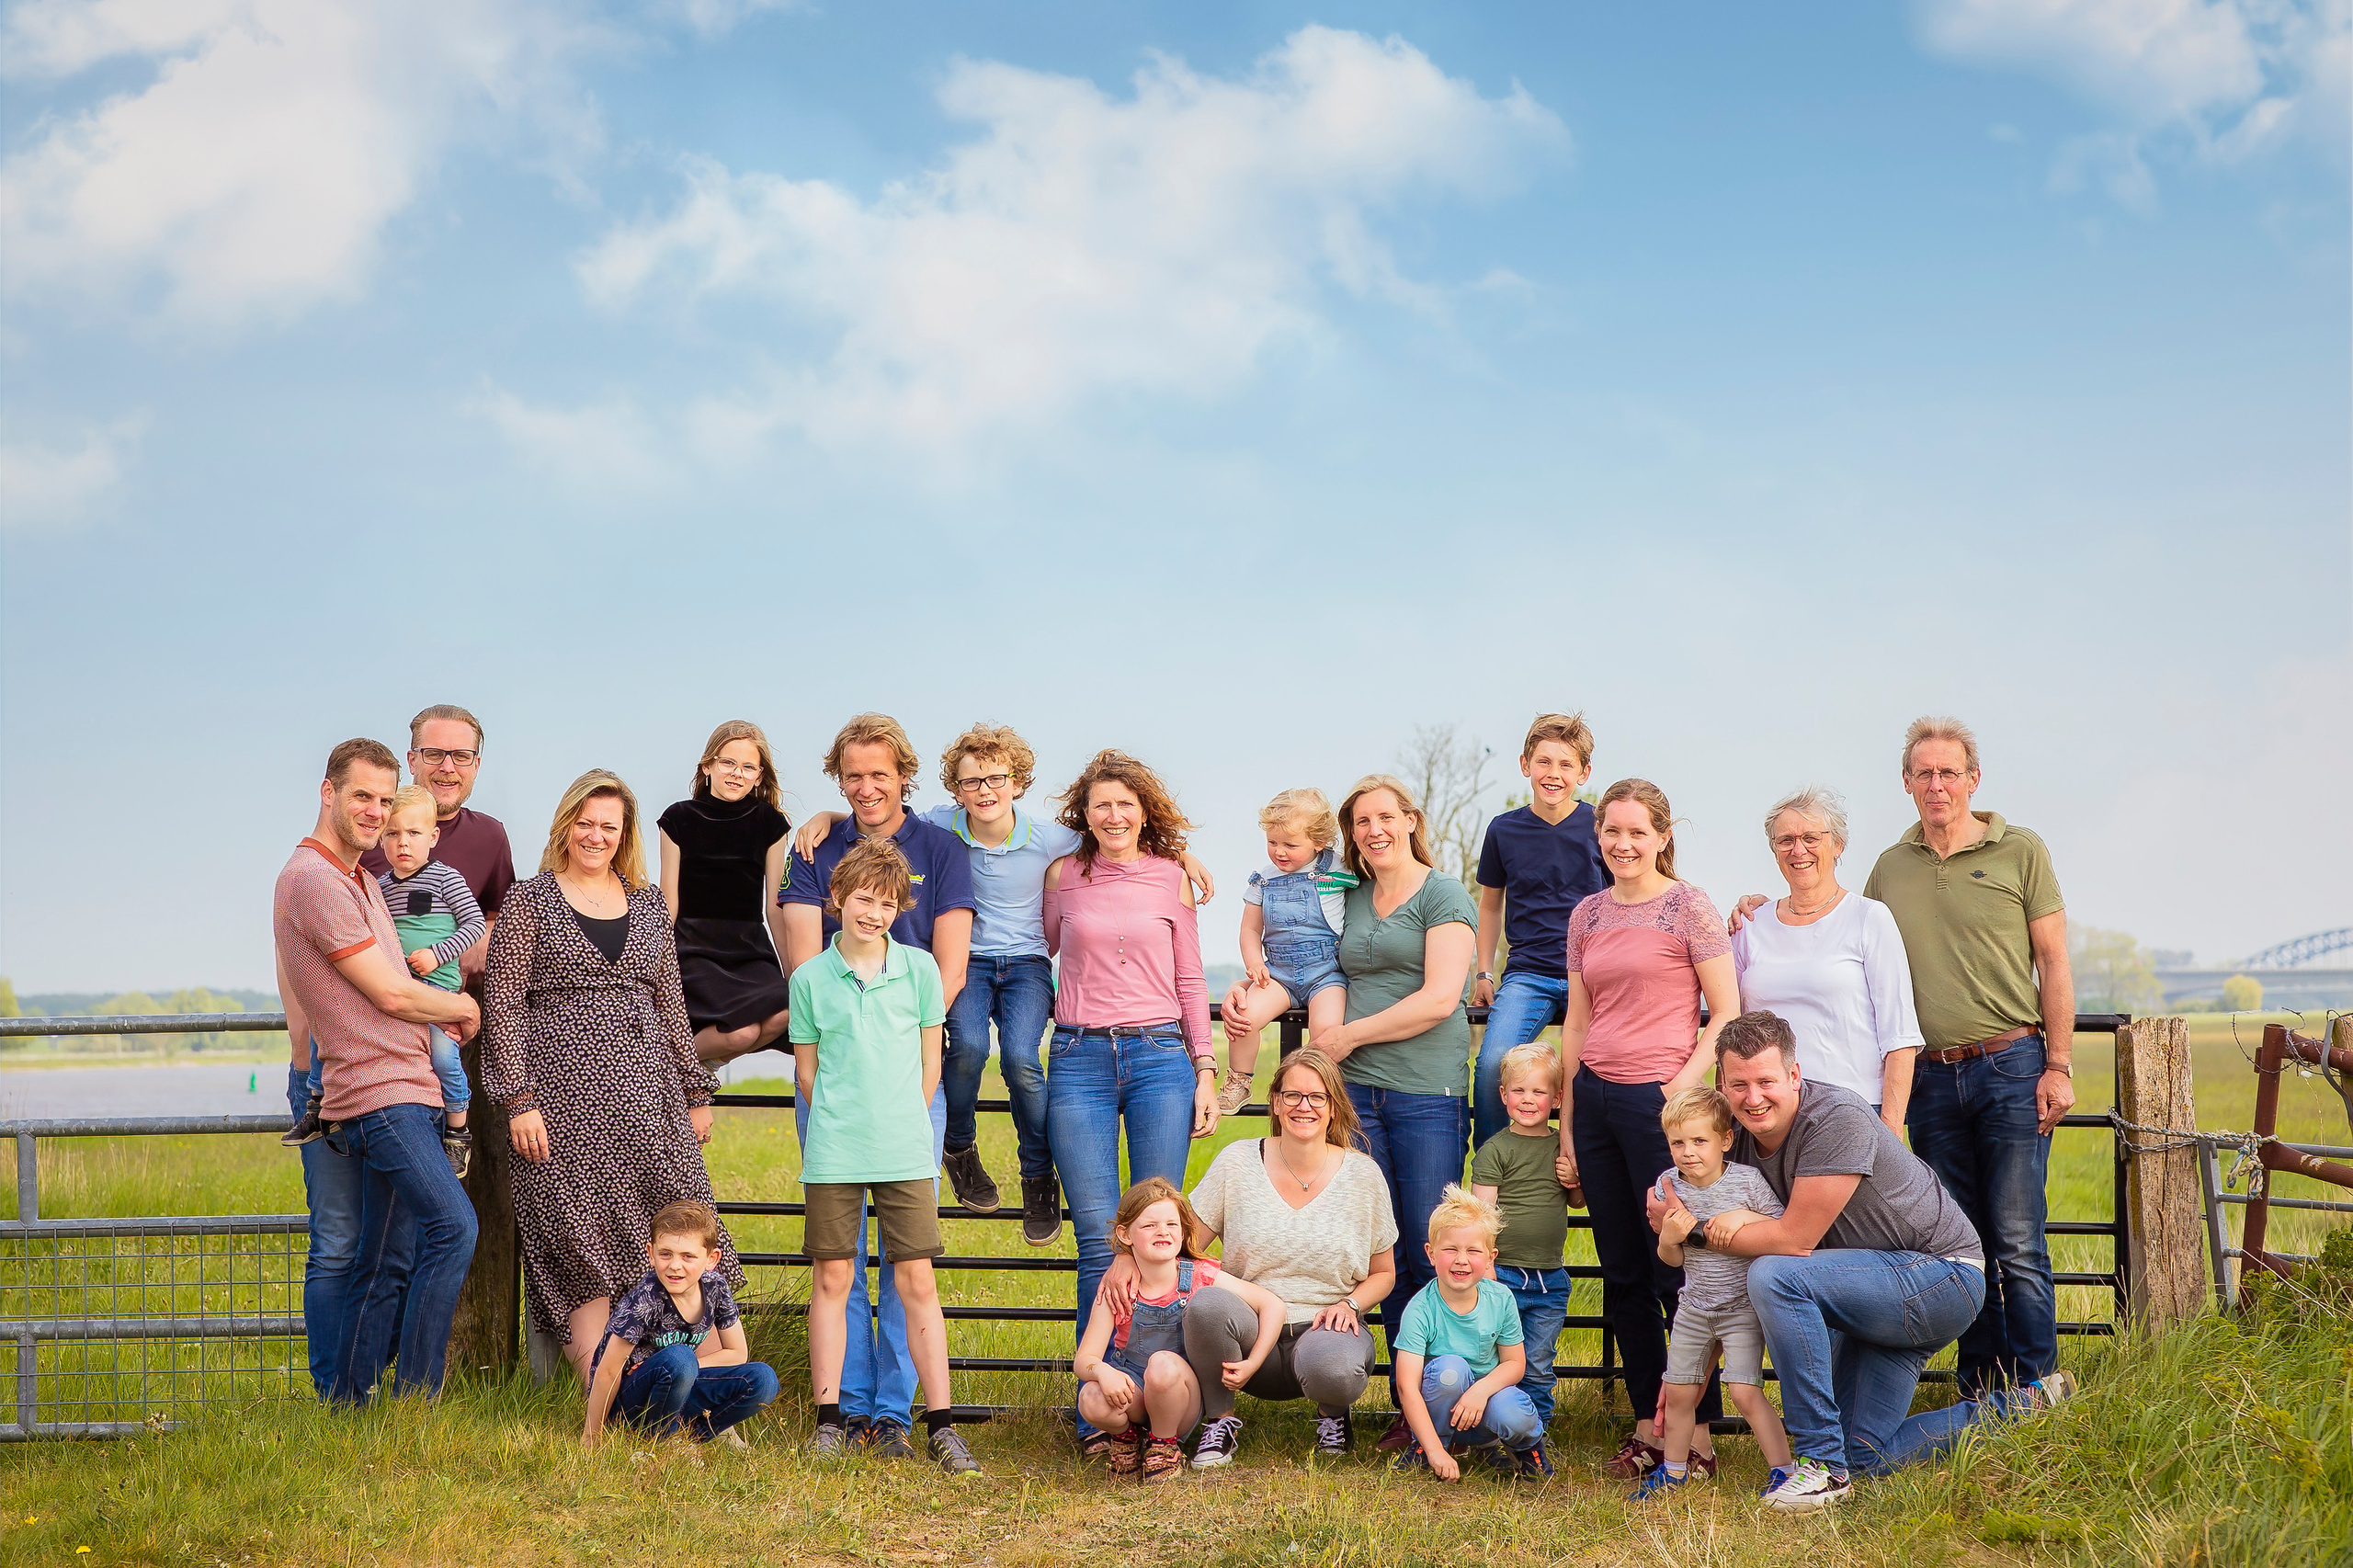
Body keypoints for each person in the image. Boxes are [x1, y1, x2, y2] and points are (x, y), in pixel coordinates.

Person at [1664, 1011, 2076, 1512]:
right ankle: (2021, 1405)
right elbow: (1674, 1200)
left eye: (1767, 1081)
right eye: (1739, 1084)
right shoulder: (1735, 1137)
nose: (1754, 1098)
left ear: (1794, 1076)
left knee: (1775, 1274)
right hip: (1867, 1294)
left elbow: (1793, 1239)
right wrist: (1668, 1214)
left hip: (1941, 1276)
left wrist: (1699, 1231)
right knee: (1865, 1453)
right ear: (1722, 1084)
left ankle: (1819, 1466)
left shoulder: (1834, 1118)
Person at [482, 768, 739, 1385]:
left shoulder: (649, 903)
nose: (595, 835)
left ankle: (707, 1393)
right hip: (560, 1104)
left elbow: (672, 1004)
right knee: (578, 1241)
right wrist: (518, 1099)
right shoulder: (529, 900)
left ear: (624, 834)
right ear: (566, 826)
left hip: (649, 1100)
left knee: (683, 1226)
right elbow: (505, 1002)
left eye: (609, 826)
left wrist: (696, 1091)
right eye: (586, 823)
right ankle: (612, 1402)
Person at [779, 712, 974, 1457]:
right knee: (838, 1269)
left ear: (903, 776)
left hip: (902, 1094)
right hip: (835, 1101)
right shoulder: (815, 843)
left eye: (879, 775)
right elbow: (805, 973)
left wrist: (905, 1092)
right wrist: (842, 1092)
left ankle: (897, 1414)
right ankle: (844, 1410)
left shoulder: (940, 848)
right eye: (852, 776)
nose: (865, 788)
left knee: (910, 1271)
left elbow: (947, 974)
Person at [273, 738, 481, 1403]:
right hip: (378, 1091)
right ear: (328, 792)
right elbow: (389, 993)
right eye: (362, 796)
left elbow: (399, 978)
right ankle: (416, 1395)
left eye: (386, 801)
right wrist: (461, 1006)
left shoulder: (362, 879)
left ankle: (349, 1401)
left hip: (410, 1081)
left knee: (386, 1257)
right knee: (455, 1228)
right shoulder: (312, 879)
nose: (374, 812)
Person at [1559, 778, 1741, 1479]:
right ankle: (1645, 1424)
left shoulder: (1689, 906)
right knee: (1625, 1272)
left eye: (1638, 832)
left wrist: (1677, 1087)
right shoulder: (1587, 915)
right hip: (1598, 1101)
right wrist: (1571, 1121)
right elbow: (1578, 1022)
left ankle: (1694, 1434)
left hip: (1661, 1111)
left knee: (1680, 1269)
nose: (1624, 844)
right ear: (1597, 836)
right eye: (1612, 832)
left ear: (1663, 835)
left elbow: (1724, 1010)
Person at [1042, 745, 1221, 1451]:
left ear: (1145, 811)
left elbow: (1191, 981)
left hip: (1159, 1059)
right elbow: (1048, 945)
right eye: (1100, 805)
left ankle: (1160, 1401)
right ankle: (1102, 1411)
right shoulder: (1063, 874)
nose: (1114, 816)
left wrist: (1205, 1069)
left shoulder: (1173, 878)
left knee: (1158, 1239)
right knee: (1097, 1239)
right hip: (1080, 1055)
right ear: (1082, 817)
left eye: (1126, 804)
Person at [1308, 774, 1478, 1444]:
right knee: (1378, 1250)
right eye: (1360, 822)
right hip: (1358, 1098)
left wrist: (1347, 1036)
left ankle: (1436, 1403)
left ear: (1411, 819)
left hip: (1425, 1092)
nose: (1373, 831)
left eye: (1385, 817)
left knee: (1424, 1244)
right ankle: (1396, 1403)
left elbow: (1442, 998)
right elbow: (1297, 929)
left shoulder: (1444, 893)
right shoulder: (1347, 897)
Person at [1170, 1051, 1398, 1464]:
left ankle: (1332, 1415)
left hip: (1325, 1331)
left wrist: (1350, 1304)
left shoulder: (1363, 1175)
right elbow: (1187, 1248)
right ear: (1274, 1101)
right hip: (1250, 1331)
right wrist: (1129, 1258)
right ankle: (1218, 1421)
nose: (1304, 1106)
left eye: (1317, 1097)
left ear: (1333, 1107)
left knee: (1333, 1369)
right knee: (1205, 1305)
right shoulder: (1238, 1161)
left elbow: (1384, 1274)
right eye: (1292, 1095)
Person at [285, 785, 480, 1173]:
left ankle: (458, 1130)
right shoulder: (379, 886)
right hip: (393, 992)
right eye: (392, 834)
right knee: (329, 1034)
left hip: (436, 988)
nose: (402, 844)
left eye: (413, 834)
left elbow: (474, 925)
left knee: (443, 1057)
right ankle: (316, 1107)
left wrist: (437, 953)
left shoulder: (446, 879)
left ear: (433, 837)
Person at [1727, 787, 1922, 1133]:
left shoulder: (1868, 917)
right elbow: (1731, 1025)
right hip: (1767, 1113)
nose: (1798, 850)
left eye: (1811, 838)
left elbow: (1900, 1038)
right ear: (1774, 852)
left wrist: (1889, 1132)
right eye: (1785, 840)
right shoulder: (1751, 925)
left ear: (1838, 845)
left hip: (1850, 1110)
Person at [1631, 1085, 1792, 1503]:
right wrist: (1669, 1236)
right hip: (1695, 1306)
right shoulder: (1669, 1184)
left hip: (1742, 1307)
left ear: (1725, 1140)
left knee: (1743, 1390)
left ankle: (1784, 1470)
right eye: (1678, 1142)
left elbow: (1779, 1230)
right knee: (1681, 1390)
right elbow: (1670, 1260)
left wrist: (1742, 1215)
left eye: (1700, 1141)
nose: (1688, 1152)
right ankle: (1676, 1470)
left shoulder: (1747, 1181)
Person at [1072, 1177, 1286, 1483]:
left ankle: (1163, 1445)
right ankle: (1127, 1438)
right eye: (1149, 1226)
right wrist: (1104, 1372)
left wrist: (1253, 1362)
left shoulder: (1199, 1275)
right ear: (1125, 1234)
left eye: (1172, 1224)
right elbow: (1084, 1360)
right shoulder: (1118, 1290)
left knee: (1162, 1363)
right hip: (1134, 1393)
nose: (1162, 1231)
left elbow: (1272, 1305)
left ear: (1183, 1232)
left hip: (1179, 1397)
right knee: (1091, 1396)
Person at [1471, 713, 1608, 1147]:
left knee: (1601, 1075)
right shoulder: (1504, 830)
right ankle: (1497, 1167)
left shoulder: (1601, 828)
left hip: (1593, 975)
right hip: (1528, 975)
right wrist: (1484, 973)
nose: (1554, 774)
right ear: (1525, 763)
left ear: (1583, 773)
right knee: (1494, 1064)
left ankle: (1582, 1167)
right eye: (1544, 762)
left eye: (1566, 765)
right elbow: (1490, 906)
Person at [580, 1199, 779, 1448]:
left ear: (711, 1258)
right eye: (665, 1254)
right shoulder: (646, 1299)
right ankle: (660, 1439)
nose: (675, 1265)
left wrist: (691, 1365)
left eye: (688, 1256)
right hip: (630, 1400)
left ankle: (689, 1437)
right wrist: (592, 1436)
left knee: (763, 1379)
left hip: (679, 1383)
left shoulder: (715, 1287)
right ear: (650, 1254)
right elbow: (607, 1371)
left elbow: (737, 1353)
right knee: (678, 1358)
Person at [657, 720, 792, 1065]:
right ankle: (671, 1065)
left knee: (786, 1013)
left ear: (759, 776)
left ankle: (698, 1060)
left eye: (749, 767)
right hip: (693, 946)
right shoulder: (678, 818)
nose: (737, 773)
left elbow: (774, 906)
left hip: (749, 947)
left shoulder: (771, 823)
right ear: (708, 766)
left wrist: (792, 970)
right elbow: (668, 901)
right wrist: (657, 963)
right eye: (728, 763)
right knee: (742, 1033)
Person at [1390, 1186, 1546, 1482]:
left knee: (1513, 1411)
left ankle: (1529, 1451)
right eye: (1451, 1249)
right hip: (1441, 1410)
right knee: (1450, 1370)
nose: (1461, 1259)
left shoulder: (1500, 1299)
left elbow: (1515, 1363)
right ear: (1431, 1254)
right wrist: (1434, 1449)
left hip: (1485, 1406)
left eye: (1473, 1251)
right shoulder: (1421, 1308)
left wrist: (1480, 1391)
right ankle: (1430, 1448)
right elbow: (1407, 1387)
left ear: (1490, 1258)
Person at [1216, 788, 1356, 1115]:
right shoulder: (1263, 880)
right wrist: (1253, 964)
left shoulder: (1340, 870)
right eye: (1272, 842)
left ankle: (1318, 1089)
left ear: (1319, 842)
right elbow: (1250, 929)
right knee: (1245, 1018)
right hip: (1277, 973)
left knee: (1327, 1029)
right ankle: (1239, 1081)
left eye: (1290, 845)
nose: (1279, 852)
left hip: (1327, 973)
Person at [1468, 1043, 1580, 1449]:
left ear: (1557, 1098)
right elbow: (1482, 1215)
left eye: (1539, 1092)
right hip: (1505, 1274)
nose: (1529, 1100)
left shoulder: (1560, 1147)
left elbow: (1577, 1202)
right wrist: (1485, 1268)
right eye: (1519, 1091)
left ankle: (1534, 1438)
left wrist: (1574, 1179)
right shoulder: (1496, 1149)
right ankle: (1490, 1434)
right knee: (1495, 1360)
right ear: (1503, 1095)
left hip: (1550, 1277)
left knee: (1537, 1365)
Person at [359, 704, 517, 990]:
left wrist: (475, 941)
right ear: (412, 761)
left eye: (461, 756)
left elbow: (501, 916)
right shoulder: (368, 828)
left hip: (452, 1005)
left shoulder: (490, 836)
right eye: (433, 754)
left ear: (476, 766)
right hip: (375, 1010)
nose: (448, 768)